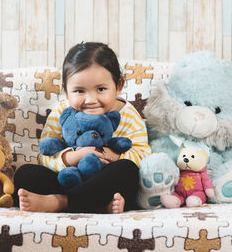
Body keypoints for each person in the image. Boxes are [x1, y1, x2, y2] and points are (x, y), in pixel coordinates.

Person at [13, 42, 151, 213]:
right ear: (65, 91)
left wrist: (113, 156)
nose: (90, 99)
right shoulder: (61, 112)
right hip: (70, 178)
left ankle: (60, 203)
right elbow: (44, 155)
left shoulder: (128, 115)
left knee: (127, 170)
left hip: (106, 183)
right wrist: (72, 158)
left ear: (119, 86)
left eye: (101, 89)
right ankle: (96, 205)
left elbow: (143, 154)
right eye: (79, 91)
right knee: (25, 174)